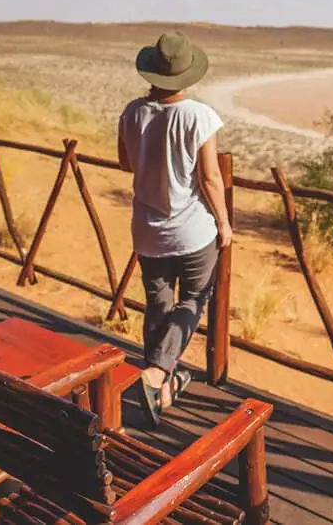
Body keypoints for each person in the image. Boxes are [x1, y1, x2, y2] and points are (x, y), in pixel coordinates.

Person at [116, 29, 232, 428]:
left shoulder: (132, 111)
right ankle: (155, 373)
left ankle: (163, 389)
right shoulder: (198, 116)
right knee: (195, 299)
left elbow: (125, 163)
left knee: (159, 305)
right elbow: (211, 177)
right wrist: (224, 222)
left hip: (147, 229)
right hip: (192, 230)